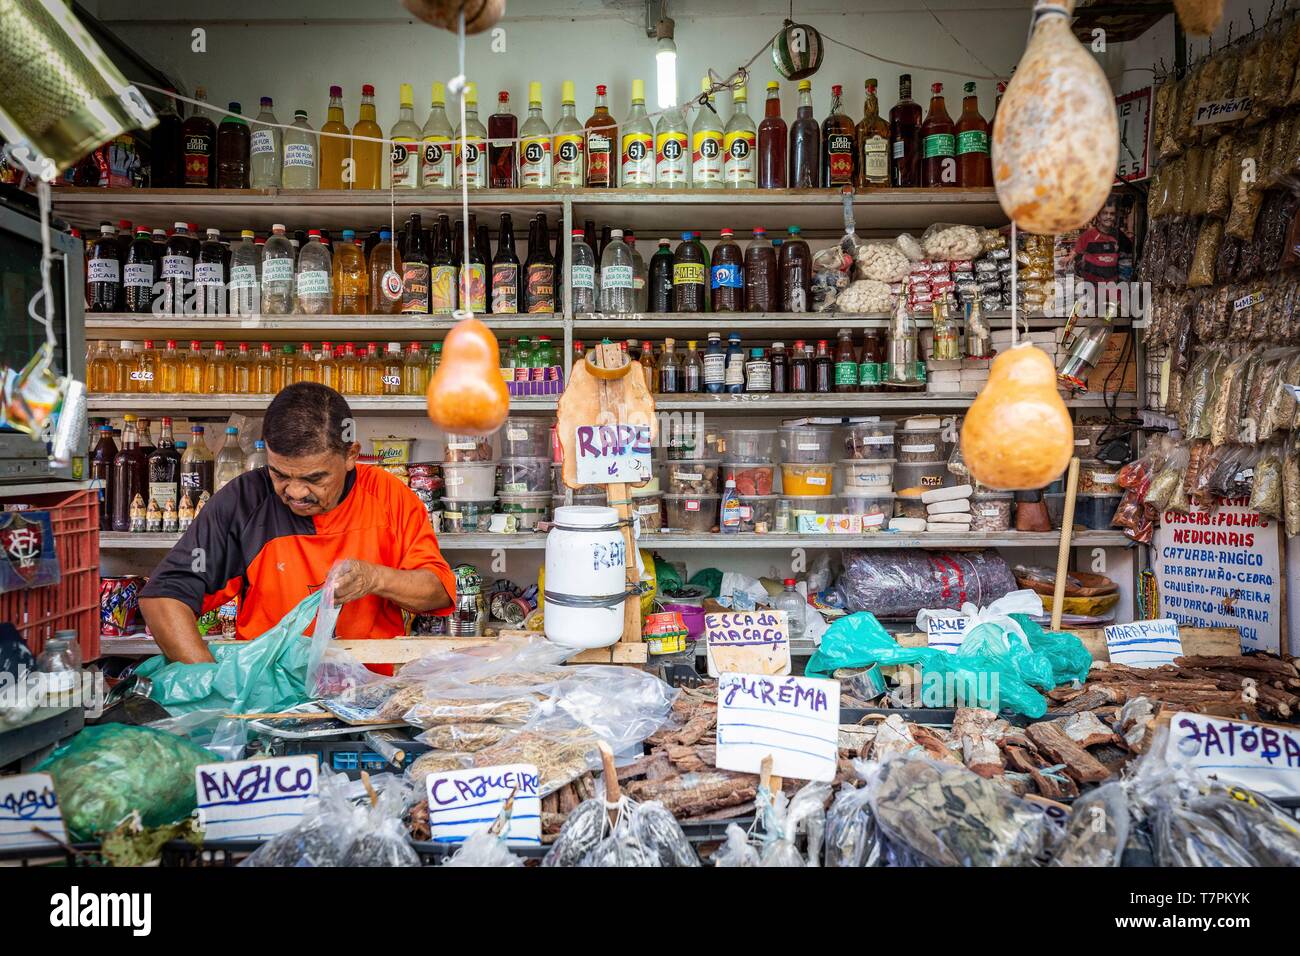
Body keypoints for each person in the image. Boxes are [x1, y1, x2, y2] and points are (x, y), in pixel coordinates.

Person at [139, 382, 455, 664]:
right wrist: (210, 683)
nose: (296, 492)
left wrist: (375, 578)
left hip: (369, 694)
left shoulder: (390, 496)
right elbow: (164, 596)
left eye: (314, 478)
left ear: (350, 455)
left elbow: (438, 591)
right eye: (279, 474)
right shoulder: (242, 502)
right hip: (266, 698)